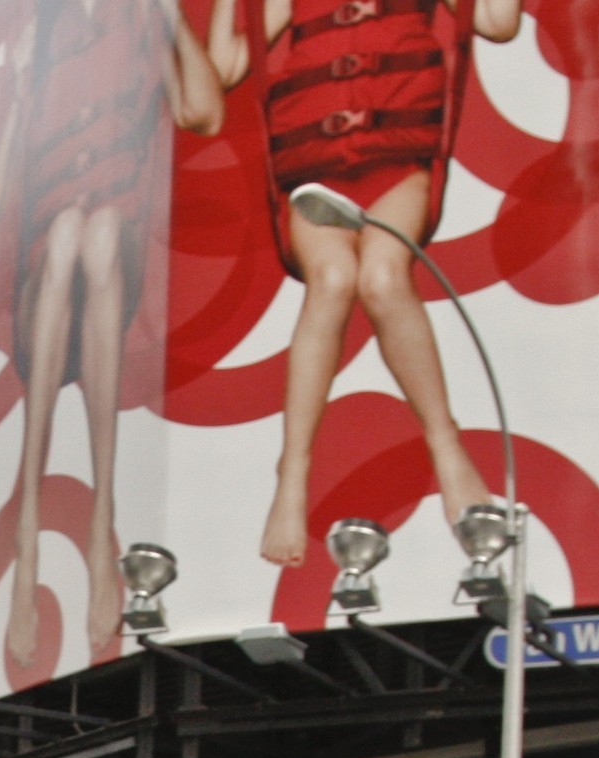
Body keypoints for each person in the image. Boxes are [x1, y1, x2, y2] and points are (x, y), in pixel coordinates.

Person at [201, 0, 524, 567]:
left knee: (380, 276)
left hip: (397, 154)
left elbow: (497, 22)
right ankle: (293, 472)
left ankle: (446, 448)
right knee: (331, 278)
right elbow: (226, 68)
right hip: (313, 160)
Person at [0, 0, 227, 666]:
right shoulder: (40, 30)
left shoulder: (142, 19)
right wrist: (14, 93)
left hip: (110, 268)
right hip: (42, 291)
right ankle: (29, 532)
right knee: (66, 232)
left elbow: (202, 112)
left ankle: (102, 527)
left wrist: (174, 20)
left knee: (91, 234)